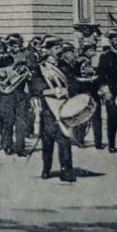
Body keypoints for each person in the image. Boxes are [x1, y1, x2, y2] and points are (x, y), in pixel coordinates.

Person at [27, 43, 77, 184]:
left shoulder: (64, 66)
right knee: (48, 140)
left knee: (64, 137)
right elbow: (36, 86)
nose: (59, 50)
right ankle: (46, 168)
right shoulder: (40, 68)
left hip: (64, 105)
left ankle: (66, 171)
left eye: (59, 48)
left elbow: (72, 82)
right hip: (48, 107)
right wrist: (51, 91)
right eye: (56, 48)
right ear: (49, 50)